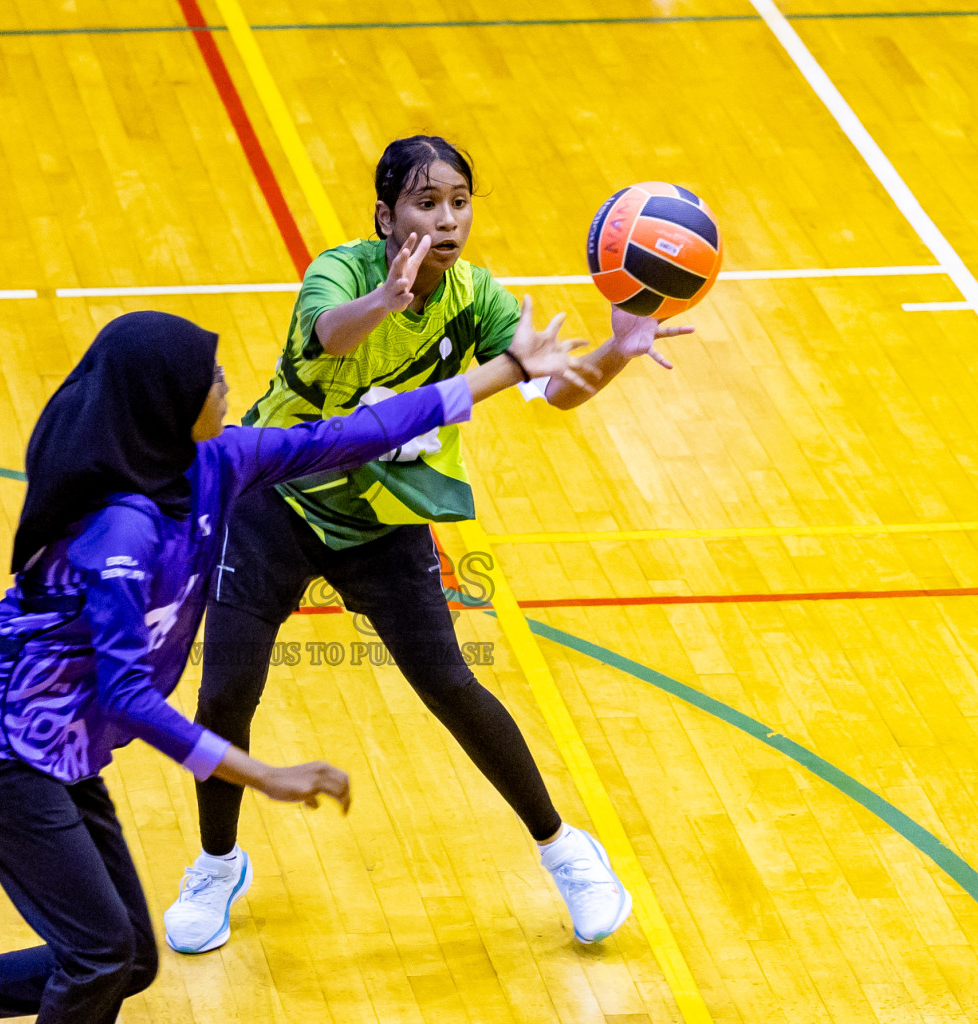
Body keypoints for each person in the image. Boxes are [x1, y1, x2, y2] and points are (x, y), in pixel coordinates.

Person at [0, 304, 586, 1024]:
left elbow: (349, 435)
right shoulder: (120, 533)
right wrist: (261, 773)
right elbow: (130, 697)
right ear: (168, 409)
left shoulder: (217, 462)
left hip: (61, 744)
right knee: (100, 955)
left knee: (125, 960)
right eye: (210, 377)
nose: (227, 382)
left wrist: (510, 370)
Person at [164, 136, 694, 953]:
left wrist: (618, 352)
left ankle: (566, 851)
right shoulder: (339, 274)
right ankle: (216, 864)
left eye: (458, 202)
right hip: (275, 498)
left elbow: (551, 390)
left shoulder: (479, 297)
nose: (446, 220)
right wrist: (386, 298)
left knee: (451, 685)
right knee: (227, 694)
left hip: (382, 515)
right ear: (386, 215)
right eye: (425, 203)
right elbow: (333, 337)